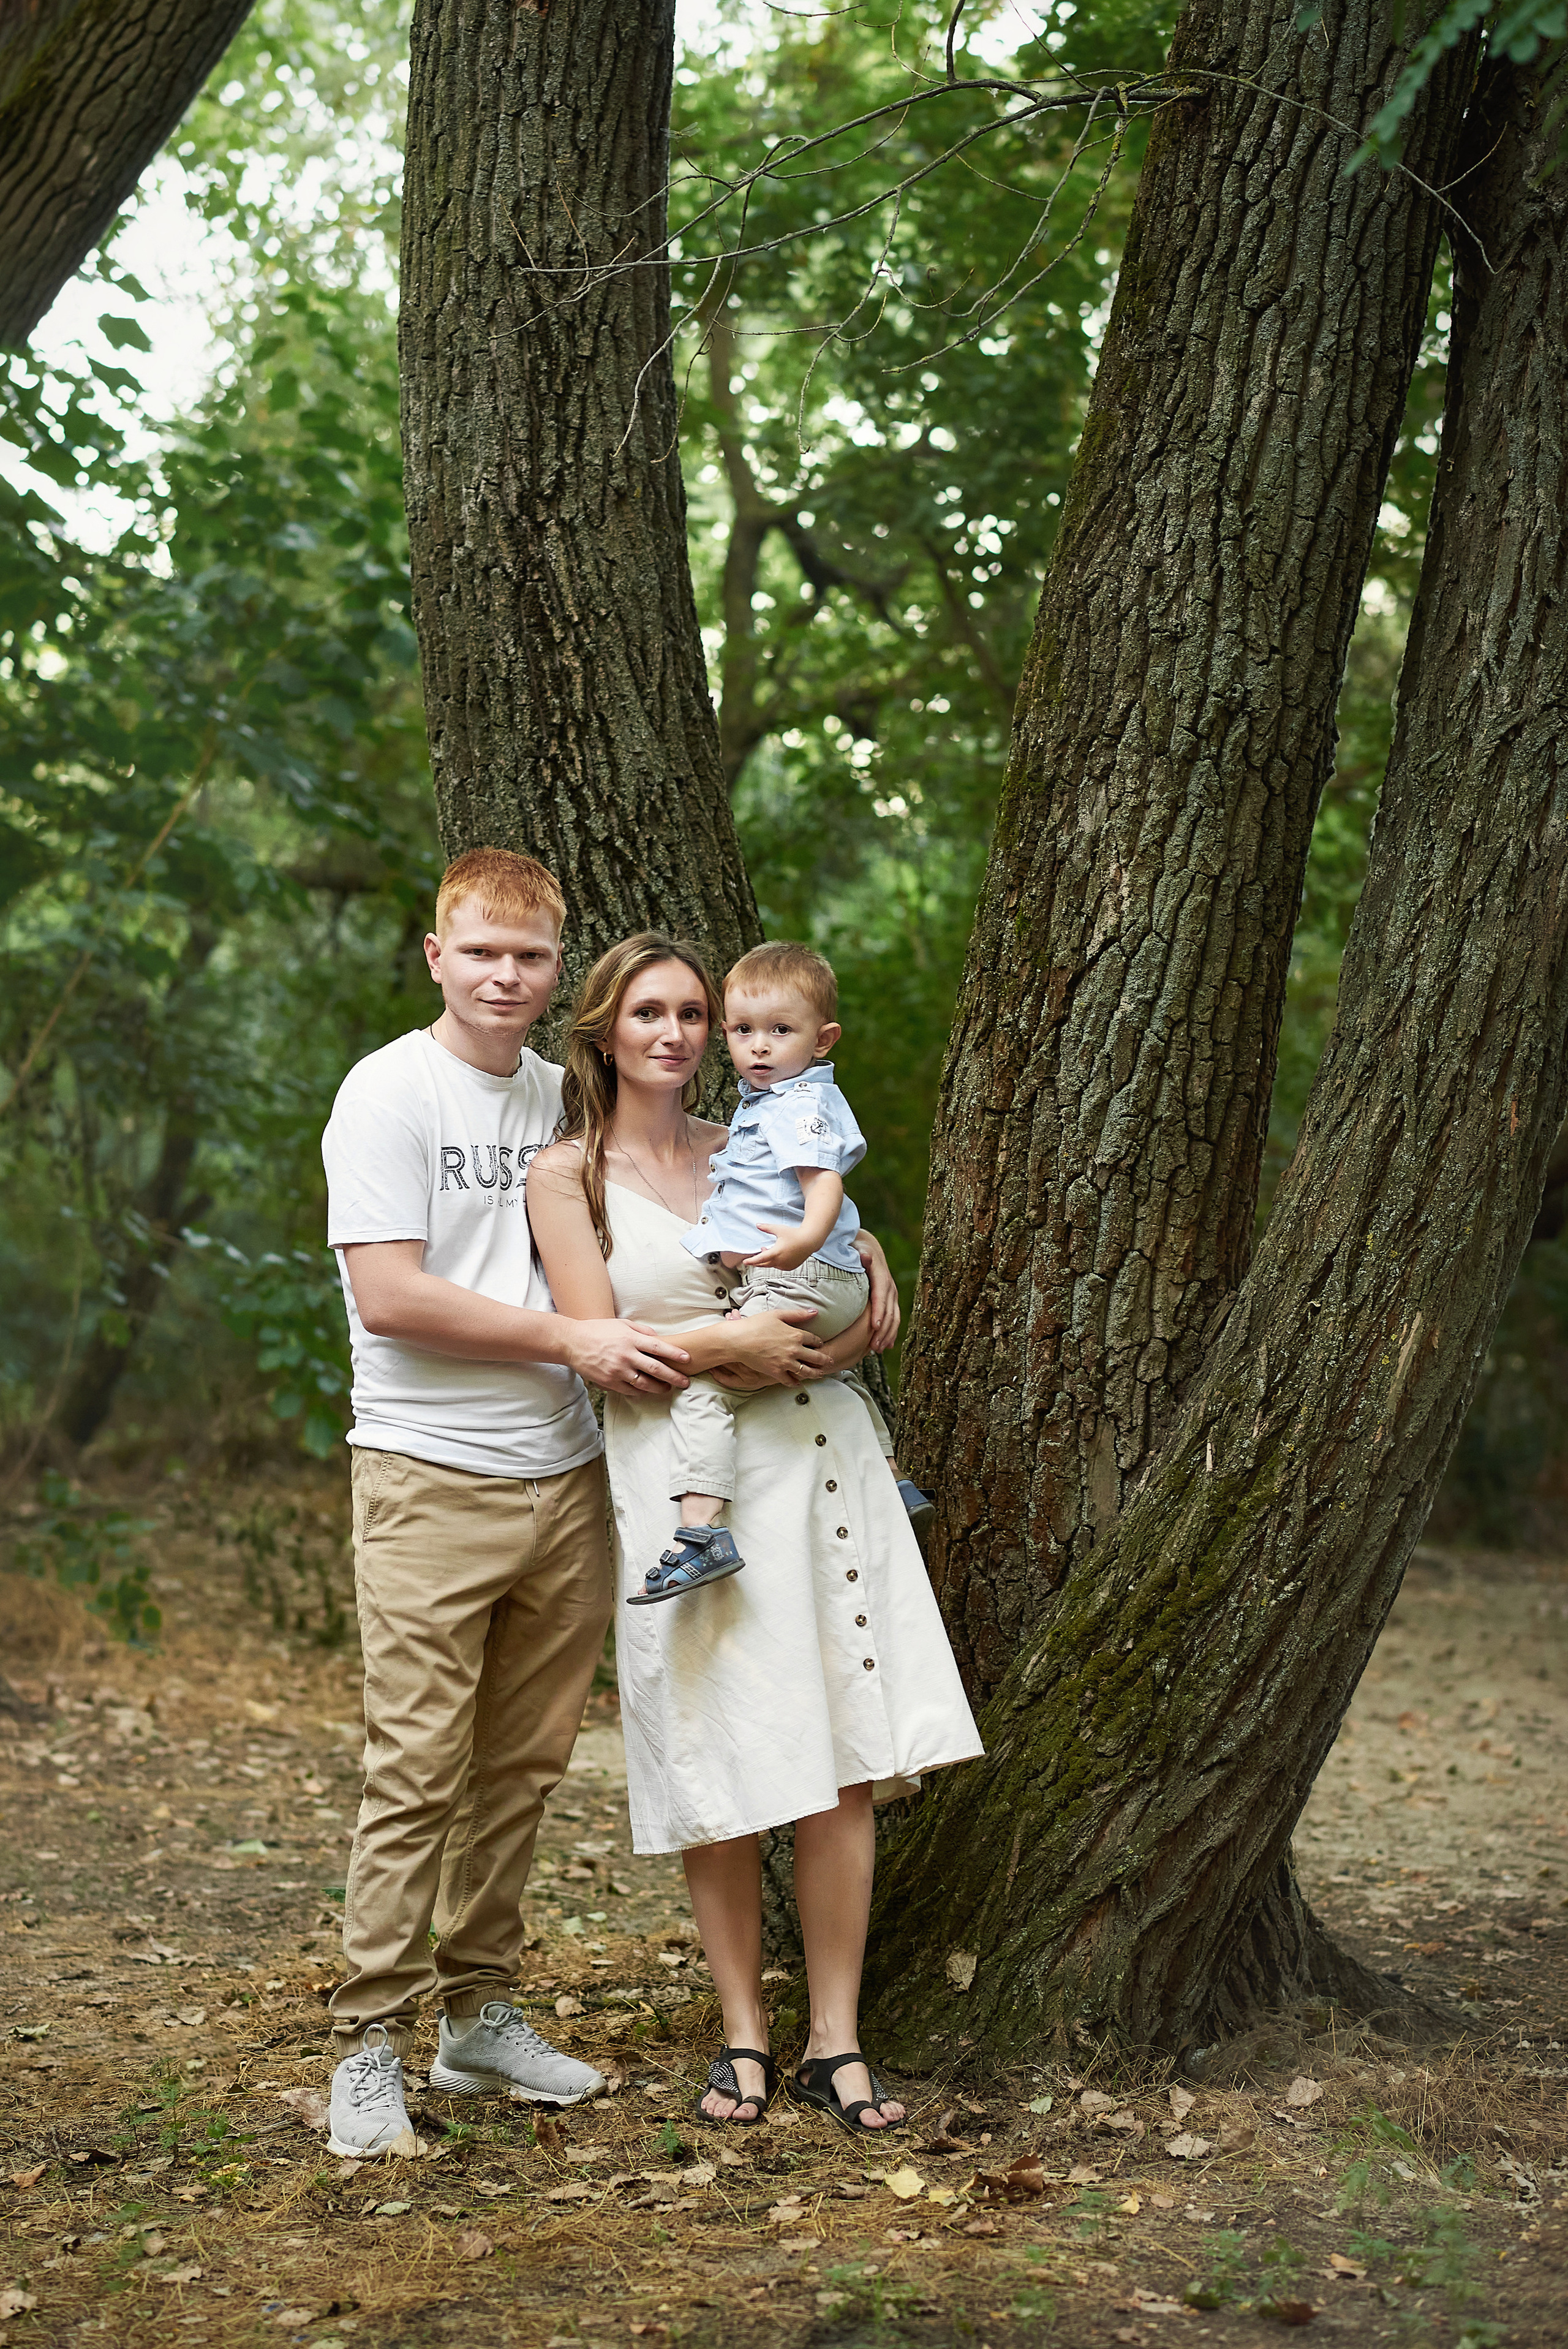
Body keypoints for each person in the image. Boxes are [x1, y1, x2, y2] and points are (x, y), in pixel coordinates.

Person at [318, 851, 841, 2158]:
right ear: (435, 956)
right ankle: (367, 2045)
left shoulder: (567, 1097)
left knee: (522, 1766)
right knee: (416, 1765)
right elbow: (389, 1295)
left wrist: (862, 1255)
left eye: (529, 955)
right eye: (480, 951)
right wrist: (577, 1342)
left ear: (558, 973)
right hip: (429, 1470)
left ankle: (476, 2015)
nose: (504, 975)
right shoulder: (388, 1091)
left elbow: (730, 1185)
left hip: (567, 1476)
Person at [527, 933, 982, 2135]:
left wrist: (867, 1269)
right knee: (715, 1756)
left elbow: (827, 1266)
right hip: (687, 1485)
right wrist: (726, 1345)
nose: (674, 1033)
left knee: (841, 1759)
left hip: (812, 1456)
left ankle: (837, 2038)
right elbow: (597, 1348)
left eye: (692, 1012)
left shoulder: (756, 1139)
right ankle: (744, 2033)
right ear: (605, 1030)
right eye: (649, 1013)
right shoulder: (566, 1176)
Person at [630, 937, 935, 1604]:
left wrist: (806, 1241)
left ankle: (702, 1533)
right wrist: (855, 1245)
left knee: (709, 1390)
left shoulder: (798, 1103)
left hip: (800, 1273)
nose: (759, 1046)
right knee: (832, 1374)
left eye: (779, 1031)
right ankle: (892, 1481)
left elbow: (823, 1182)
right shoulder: (767, 1105)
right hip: (821, 1274)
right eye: (744, 1030)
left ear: (823, 1040)